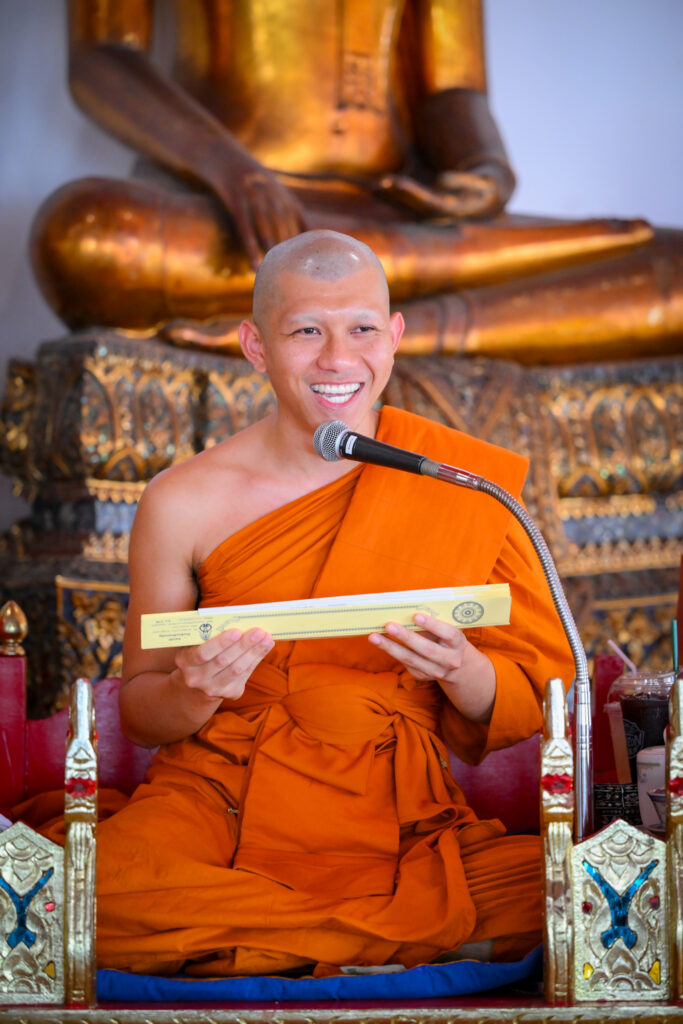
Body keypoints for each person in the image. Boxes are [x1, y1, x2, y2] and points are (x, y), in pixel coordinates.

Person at [90, 228, 574, 976]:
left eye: (362, 330)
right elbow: (141, 711)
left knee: (581, 895)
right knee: (94, 899)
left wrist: (463, 671)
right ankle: (406, 940)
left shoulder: (464, 485)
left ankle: (281, 945)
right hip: (223, 798)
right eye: (306, 331)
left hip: (400, 815)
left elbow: (543, 693)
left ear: (395, 337)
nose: (339, 359)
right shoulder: (182, 500)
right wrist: (193, 692)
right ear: (255, 346)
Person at [30, 0, 681, 361]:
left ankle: (338, 330)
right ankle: (363, 323)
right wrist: (230, 169)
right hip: (235, 215)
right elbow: (101, 59)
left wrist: (482, 169)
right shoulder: (231, 186)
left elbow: (450, 88)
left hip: (396, 217)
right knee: (86, 237)